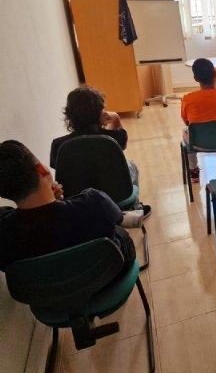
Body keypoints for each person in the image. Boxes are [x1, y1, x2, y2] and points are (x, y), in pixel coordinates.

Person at [0, 140, 137, 275]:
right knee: (117, 229)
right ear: (41, 169)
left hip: (47, 288)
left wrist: (54, 202)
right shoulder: (94, 202)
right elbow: (118, 217)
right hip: (107, 275)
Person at [50, 85, 151, 216]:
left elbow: (60, 170)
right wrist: (116, 119)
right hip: (114, 195)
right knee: (132, 166)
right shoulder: (111, 138)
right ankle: (134, 208)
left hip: (78, 201)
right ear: (100, 113)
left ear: (69, 115)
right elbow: (123, 143)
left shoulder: (58, 145)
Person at [181, 58, 216, 183]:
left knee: (186, 131)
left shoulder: (188, 99)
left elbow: (187, 122)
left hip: (198, 142)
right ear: (215, 74)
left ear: (195, 78)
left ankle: (193, 170)